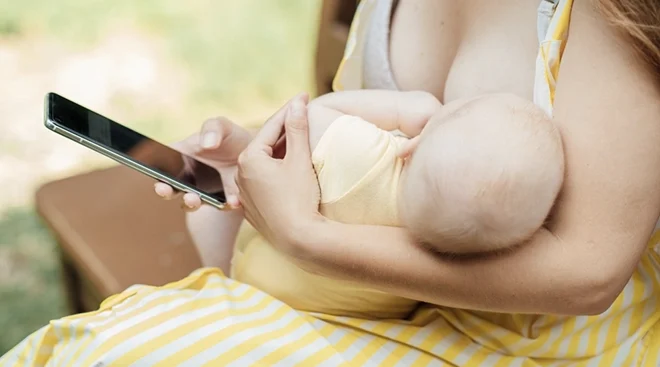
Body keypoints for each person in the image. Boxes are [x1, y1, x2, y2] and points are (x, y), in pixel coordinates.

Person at [3, 0, 660, 365]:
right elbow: (379, 136)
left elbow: (588, 275)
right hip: (370, 297)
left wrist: (306, 236)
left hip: (536, 341)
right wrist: (273, 152)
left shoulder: (606, 17)